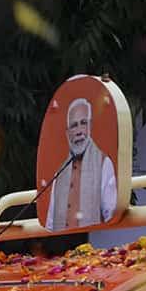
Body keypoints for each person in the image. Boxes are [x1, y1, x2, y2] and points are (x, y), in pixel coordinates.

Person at [45, 97, 117, 230]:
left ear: (90, 127)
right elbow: (50, 223)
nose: (79, 132)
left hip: (92, 246)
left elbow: (111, 214)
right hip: (61, 246)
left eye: (83, 123)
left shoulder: (103, 164)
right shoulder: (60, 173)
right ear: (68, 134)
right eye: (73, 125)